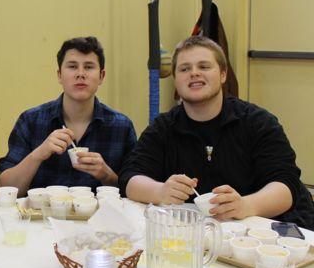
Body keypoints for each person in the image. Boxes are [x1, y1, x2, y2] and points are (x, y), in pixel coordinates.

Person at [119, 36, 314, 230]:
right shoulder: (162, 128)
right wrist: (160, 191)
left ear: (223, 75)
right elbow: (130, 177)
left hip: (259, 233)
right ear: (175, 80)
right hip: (192, 233)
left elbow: (286, 186)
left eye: (204, 66)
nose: (194, 73)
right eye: (185, 69)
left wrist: (246, 206)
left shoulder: (258, 122)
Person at [0, 36, 137, 196]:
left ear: (101, 76)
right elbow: (5, 189)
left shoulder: (122, 126)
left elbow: (134, 191)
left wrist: (106, 175)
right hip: (41, 212)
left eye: (89, 67)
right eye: (72, 66)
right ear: (59, 75)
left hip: (100, 213)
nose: (81, 74)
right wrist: (38, 154)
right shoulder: (30, 120)